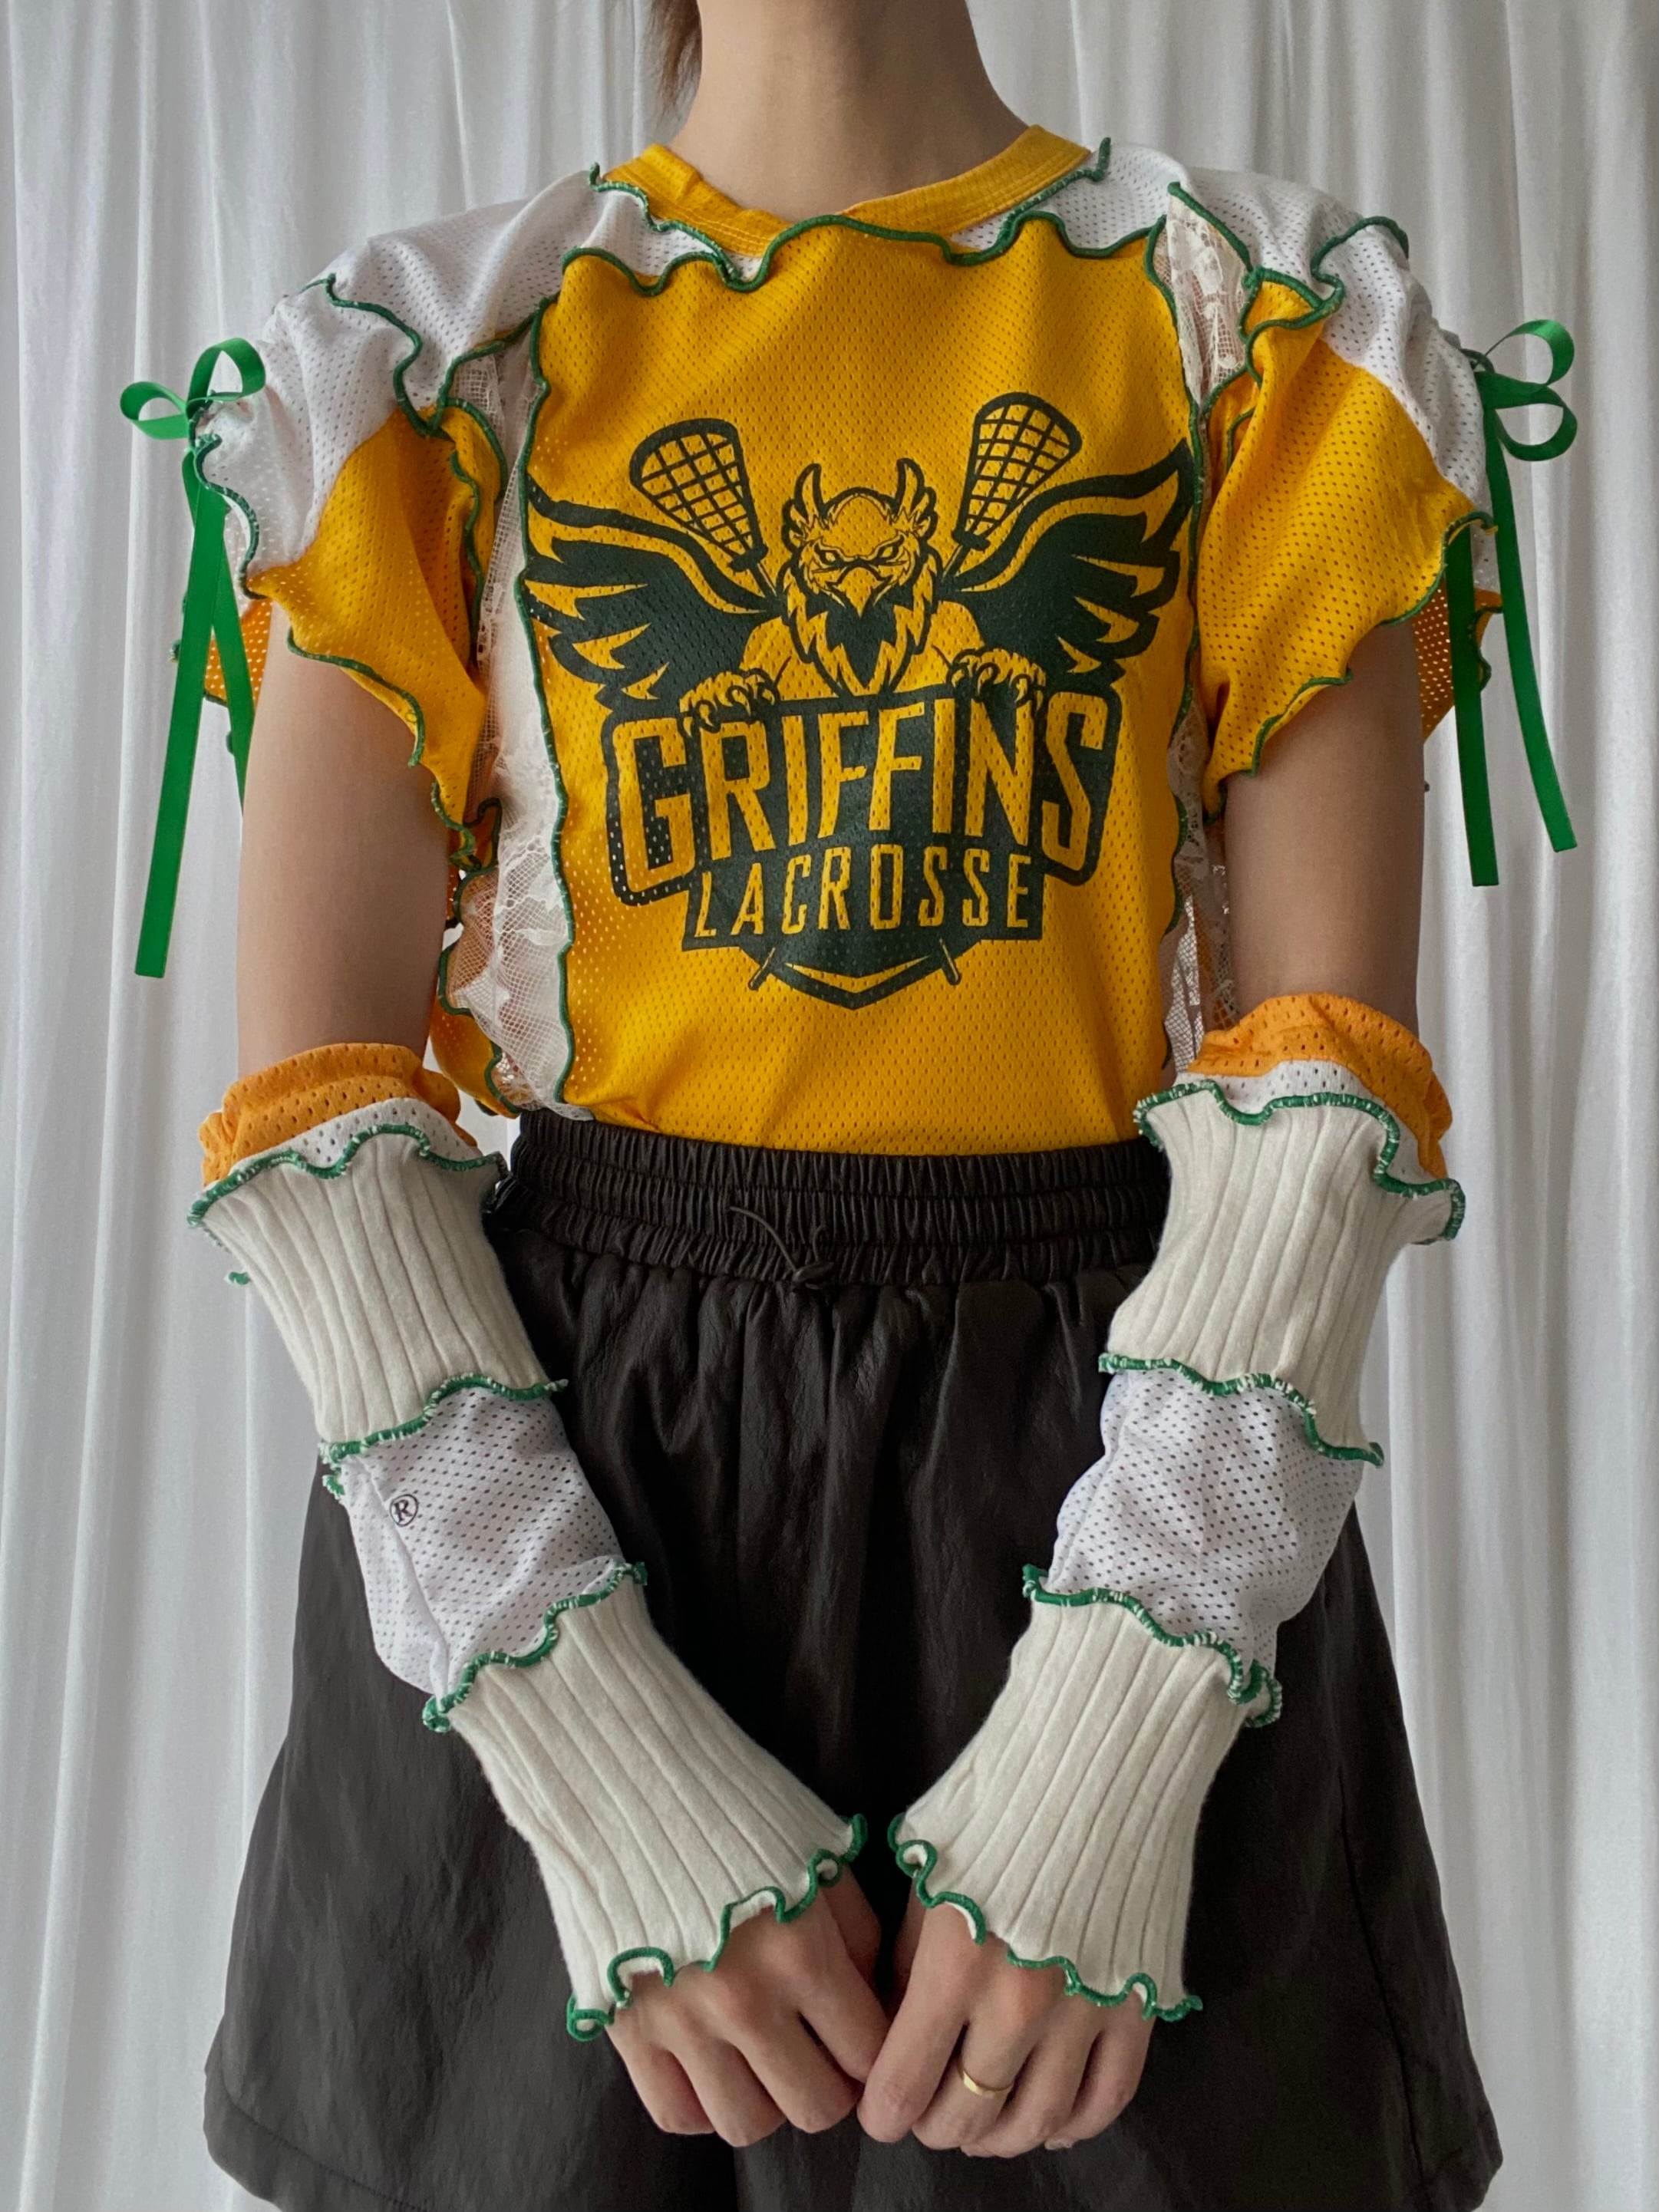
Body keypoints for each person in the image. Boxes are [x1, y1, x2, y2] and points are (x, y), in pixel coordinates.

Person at [148, 0, 1573, 2203]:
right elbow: (323, 1139)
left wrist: (1125, 1722)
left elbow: (1321, 1101)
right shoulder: (430, 368)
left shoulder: (1251, 330)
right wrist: (589, 1742)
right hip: (564, 1481)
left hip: (1122, 1451)